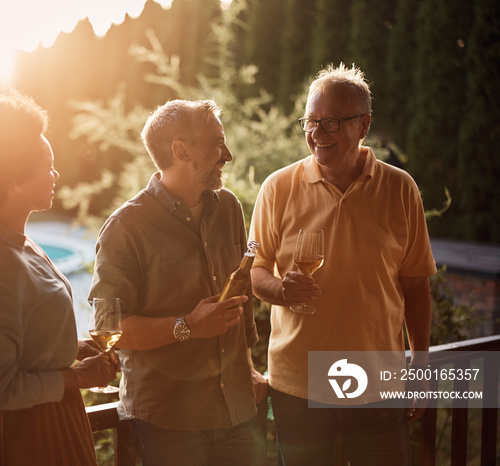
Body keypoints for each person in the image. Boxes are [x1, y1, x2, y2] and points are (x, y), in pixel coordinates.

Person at [249, 63, 437, 465]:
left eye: (331, 122)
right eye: (311, 121)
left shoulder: (400, 189)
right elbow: (254, 270)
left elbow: (416, 286)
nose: (317, 134)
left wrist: (420, 366)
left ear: (363, 124)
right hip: (297, 387)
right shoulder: (277, 188)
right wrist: (281, 290)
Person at [88, 99, 268, 466]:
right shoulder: (125, 229)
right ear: (181, 151)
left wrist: (248, 370)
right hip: (169, 420)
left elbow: (242, 294)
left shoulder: (230, 208)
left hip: (238, 410)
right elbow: (109, 328)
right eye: (218, 143)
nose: (228, 154)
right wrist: (187, 326)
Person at [0, 91, 118, 466]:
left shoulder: (17, 243)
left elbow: (26, 342)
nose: (55, 174)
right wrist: (78, 378)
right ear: (14, 181)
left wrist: (72, 347)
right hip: (28, 435)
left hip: (52, 417)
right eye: (47, 165)